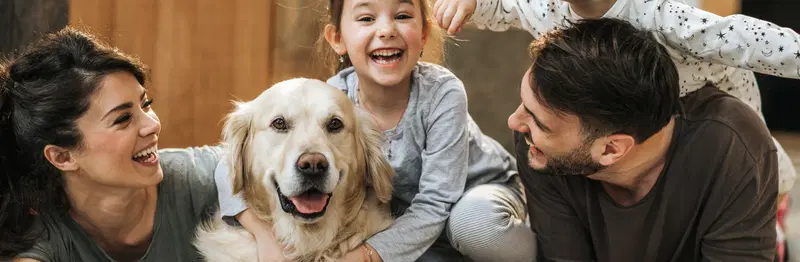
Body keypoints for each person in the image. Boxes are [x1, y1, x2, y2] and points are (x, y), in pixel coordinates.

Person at [214, 0, 533, 261]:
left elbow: (436, 204)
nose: (386, 30)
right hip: (410, 220)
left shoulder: (443, 93)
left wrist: (364, 256)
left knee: (473, 226)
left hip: (479, 195)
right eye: (366, 17)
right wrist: (262, 233)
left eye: (403, 15)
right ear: (337, 38)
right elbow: (225, 163)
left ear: (424, 33)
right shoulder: (332, 99)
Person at [432, 0, 797, 205]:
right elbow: (501, 11)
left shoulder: (660, 17)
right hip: (623, 113)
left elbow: (745, 40)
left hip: (703, 89)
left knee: (755, 156)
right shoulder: (542, 6)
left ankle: (776, 204)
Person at [506, 18, 778, 261]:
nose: (514, 123)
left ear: (612, 149)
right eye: (524, 105)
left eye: (539, 122)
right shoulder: (539, 150)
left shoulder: (732, 147)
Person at [0, 27, 223, 261]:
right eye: (123, 118)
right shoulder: (42, 237)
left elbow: (246, 160)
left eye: (146, 104)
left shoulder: (199, 181)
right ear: (62, 157)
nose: (153, 125)